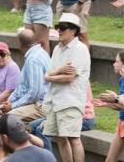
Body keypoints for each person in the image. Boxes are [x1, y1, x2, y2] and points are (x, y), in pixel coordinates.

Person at [0, 28, 49, 131]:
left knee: (4, 121)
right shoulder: (36, 54)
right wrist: (8, 102)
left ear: (20, 44)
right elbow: (21, 88)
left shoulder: (34, 60)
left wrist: (13, 106)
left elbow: (34, 93)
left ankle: (7, 145)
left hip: (39, 105)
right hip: (27, 102)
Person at [43, 13, 91, 162]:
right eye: (58, 27)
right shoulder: (57, 48)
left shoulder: (80, 49)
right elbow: (48, 73)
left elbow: (69, 78)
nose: (59, 31)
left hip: (70, 101)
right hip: (54, 100)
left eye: (63, 28)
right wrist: (56, 72)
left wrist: (50, 77)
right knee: (59, 138)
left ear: (73, 30)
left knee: (73, 138)